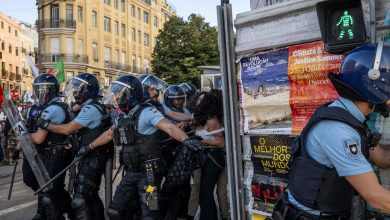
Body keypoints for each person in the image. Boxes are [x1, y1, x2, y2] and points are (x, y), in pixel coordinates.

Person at [272, 42, 390, 220]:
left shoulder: (350, 119)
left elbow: (382, 158)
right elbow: (377, 198)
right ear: (373, 84)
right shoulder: (339, 131)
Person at [75, 75, 203, 220]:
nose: (116, 97)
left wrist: (186, 140)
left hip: (150, 175)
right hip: (131, 172)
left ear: (131, 95)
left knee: (151, 212)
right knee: (115, 211)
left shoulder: (148, 112)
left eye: (120, 93)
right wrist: (89, 147)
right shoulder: (124, 115)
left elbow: (168, 127)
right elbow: (109, 134)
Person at [37, 73, 113, 220]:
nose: (76, 92)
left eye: (79, 89)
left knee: (82, 198)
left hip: (93, 157)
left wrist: (46, 124)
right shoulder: (90, 106)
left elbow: (68, 129)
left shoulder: (90, 109)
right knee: (89, 196)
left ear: (87, 90)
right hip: (90, 155)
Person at [29, 73, 75, 219]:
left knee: (50, 192)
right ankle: (64, 213)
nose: (39, 93)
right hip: (57, 154)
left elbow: (38, 138)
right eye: (38, 90)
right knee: (54, 190)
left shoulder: (52, 109)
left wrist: (24, 135)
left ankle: (57, 215)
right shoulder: (60, 105)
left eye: (43, 90)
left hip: (55, 155)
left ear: (51, 90)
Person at [187, 90, 227, 220]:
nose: (199, 101)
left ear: (208, 103)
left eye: (202, 100)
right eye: (198, 99)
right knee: (204, 192)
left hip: (214, 158)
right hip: (207, 157)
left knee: (206, 192)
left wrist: (204, 142)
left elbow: (221, 143)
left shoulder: (211, 119)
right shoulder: (201, 117)